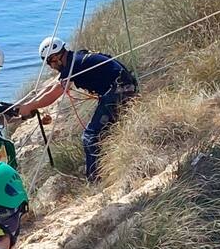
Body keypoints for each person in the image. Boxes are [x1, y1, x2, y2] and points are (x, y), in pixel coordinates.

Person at [18, 37, 138, 182]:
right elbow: (51, 87)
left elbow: (54, 94)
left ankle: (94, 180)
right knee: (103, 132)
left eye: (49, 62)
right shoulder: (76, 58)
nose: (51, 67)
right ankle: (105, 169)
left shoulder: (73, 64)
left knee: (90, 136)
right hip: (122, 88)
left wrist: (30, 107)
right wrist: (28, 104)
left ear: (55, 57)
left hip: (119, 91)